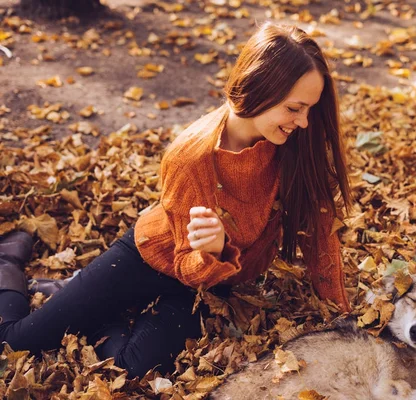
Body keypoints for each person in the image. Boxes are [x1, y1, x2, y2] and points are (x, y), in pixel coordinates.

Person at [0, 22, 352, 378]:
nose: (305, 121)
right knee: (13, 341)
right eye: (295, 108)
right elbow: (187, 260)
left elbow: (321, 231)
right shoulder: (193, 157)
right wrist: (212, 250)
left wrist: (344, 320)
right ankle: (10, 261)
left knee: (135, 368)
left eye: (309, 108)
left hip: (206, 286)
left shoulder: (292, 143)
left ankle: (89, 306)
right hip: (150, 259)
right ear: (261, 88)